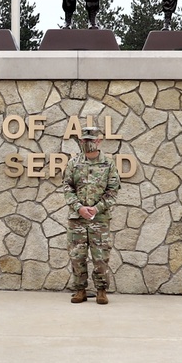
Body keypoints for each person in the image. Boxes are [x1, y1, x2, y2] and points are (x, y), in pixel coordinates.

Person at [61, 126, 120, 304]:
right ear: (80, 141)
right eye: (84, 141)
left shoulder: (108, 164)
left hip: (100, 219)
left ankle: (101, 290)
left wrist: (97, 208)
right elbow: (67, 188)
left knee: (100, 256)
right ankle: (80, 290)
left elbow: (113, 190)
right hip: (77, 219)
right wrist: (79, 207)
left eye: (91, 141)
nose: (87, 144)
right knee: (77, 256)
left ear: (99, 141)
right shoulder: (73, 163)